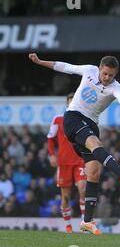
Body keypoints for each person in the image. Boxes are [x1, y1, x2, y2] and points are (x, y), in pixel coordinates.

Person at [29, 53, 120, 235]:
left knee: (93, 172)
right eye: (105, 73)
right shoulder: (89, 70)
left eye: (111, 75)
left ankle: (87, 221)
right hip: (74, 118)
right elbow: (65, 67)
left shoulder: (116, 86)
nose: (107, 78)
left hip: (91, 123)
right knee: (96, 144)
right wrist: (39, 62)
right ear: (100, 68)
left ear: (116, 73)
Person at [47, 93, 87, 233]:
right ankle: (68, 226)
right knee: (66, 196)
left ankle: (85, 224)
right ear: (67, 104)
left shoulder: (84, 120)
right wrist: (52, 155)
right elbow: (50, 138)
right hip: (64, 162)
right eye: (70, 102)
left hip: (79, 160)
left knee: (83, 189)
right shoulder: (58, 119)